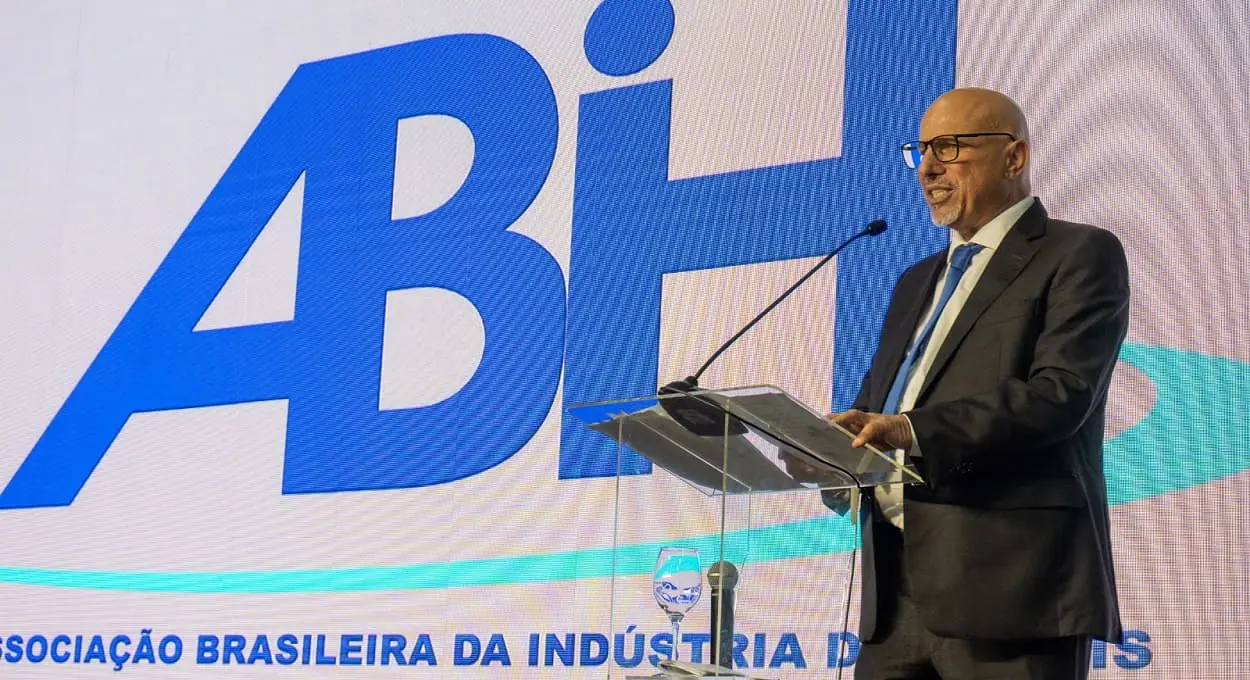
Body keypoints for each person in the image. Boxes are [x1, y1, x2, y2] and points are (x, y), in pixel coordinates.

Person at [827, 87, 1129, 679]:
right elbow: (878, 405)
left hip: (1013, 589)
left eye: (949, 147)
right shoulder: (915, 280)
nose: (928, 168)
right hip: (895, 596)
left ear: (1014, 157)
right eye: (921, 150)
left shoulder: (1079, 253)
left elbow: (1060, 394)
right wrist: (829, 449)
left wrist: (910, 430)